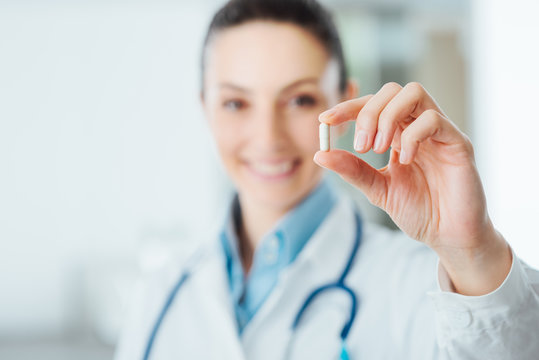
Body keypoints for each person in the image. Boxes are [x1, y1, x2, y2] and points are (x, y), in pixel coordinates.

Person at [114, 0, 539, 359]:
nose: (268, 137)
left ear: (343, 100)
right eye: (235, 103)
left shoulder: (421, 284)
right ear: (205, 107)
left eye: (300, 99)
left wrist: (471, 252)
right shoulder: (162, 293)